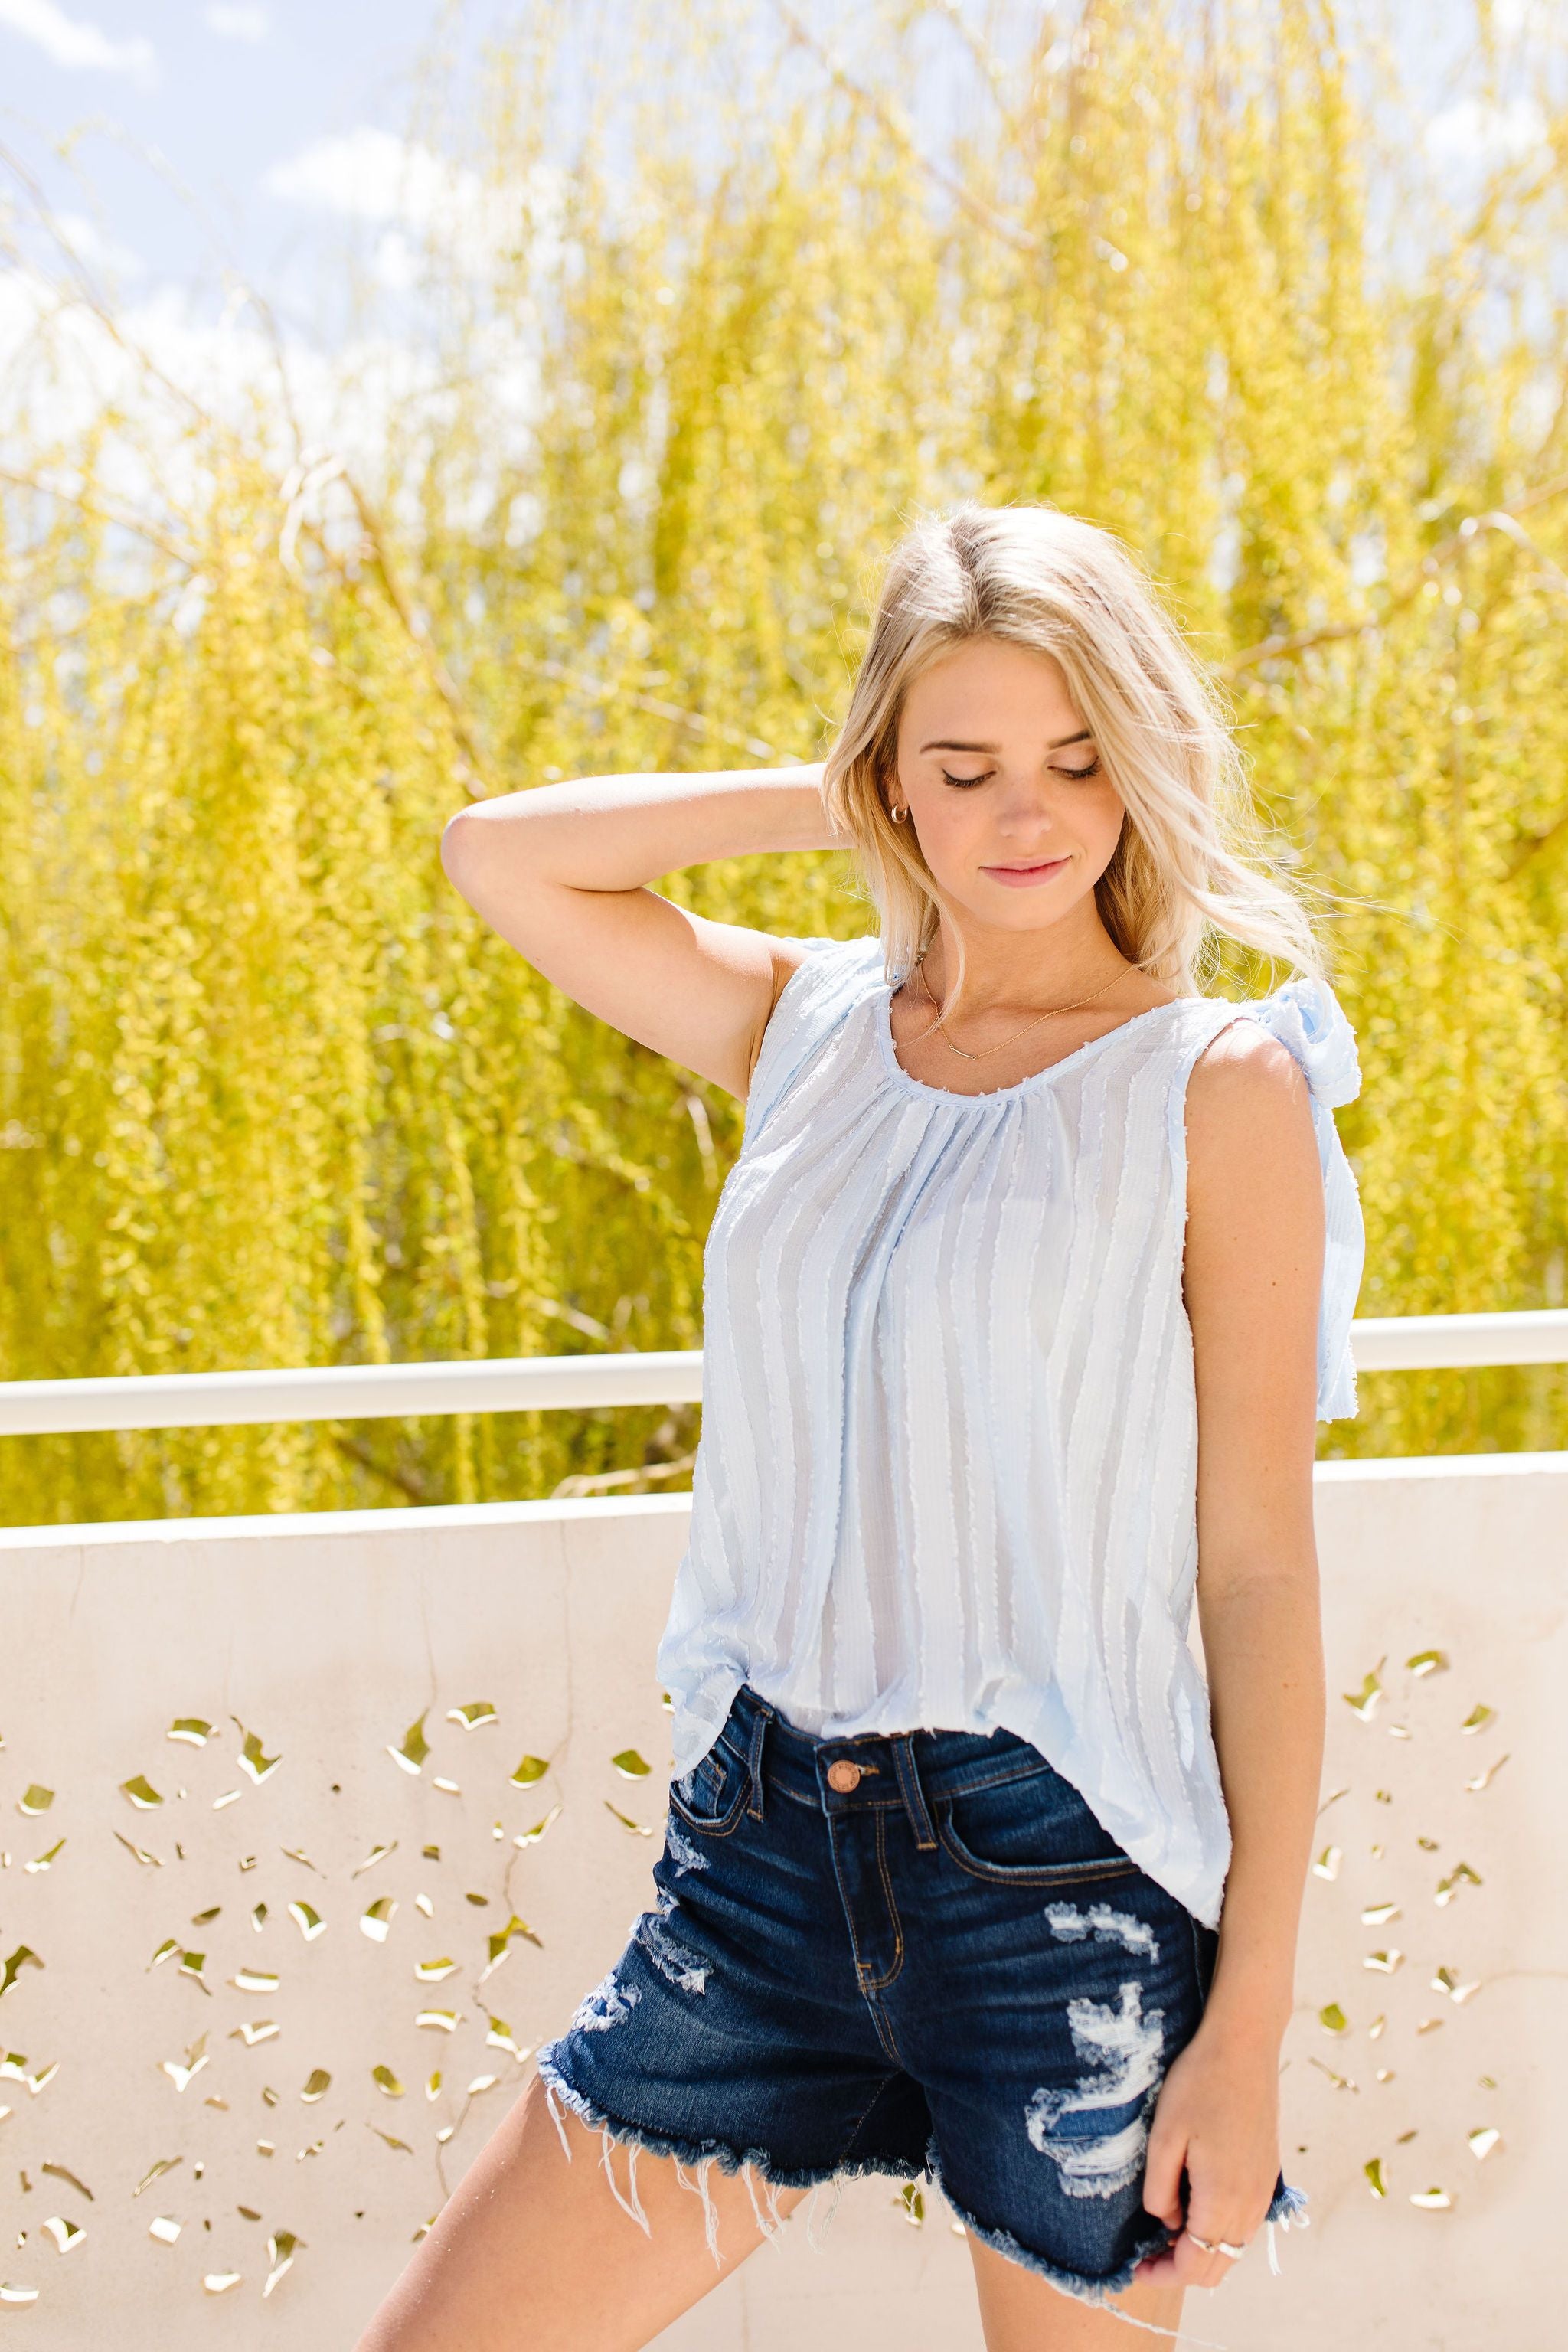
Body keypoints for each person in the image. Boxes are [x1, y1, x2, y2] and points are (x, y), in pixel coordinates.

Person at [357, 501, 1362, 2352]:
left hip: (1060, 1875)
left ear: (1142, 760)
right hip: (758, 1860)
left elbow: (1257, 1567)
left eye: (1077, 756)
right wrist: (836, 789)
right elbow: (499, 855)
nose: (1026, 814)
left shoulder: (1213, 1088)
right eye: (959, 766)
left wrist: (1250, 2030)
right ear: (888, 778)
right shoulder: (807, 1028)